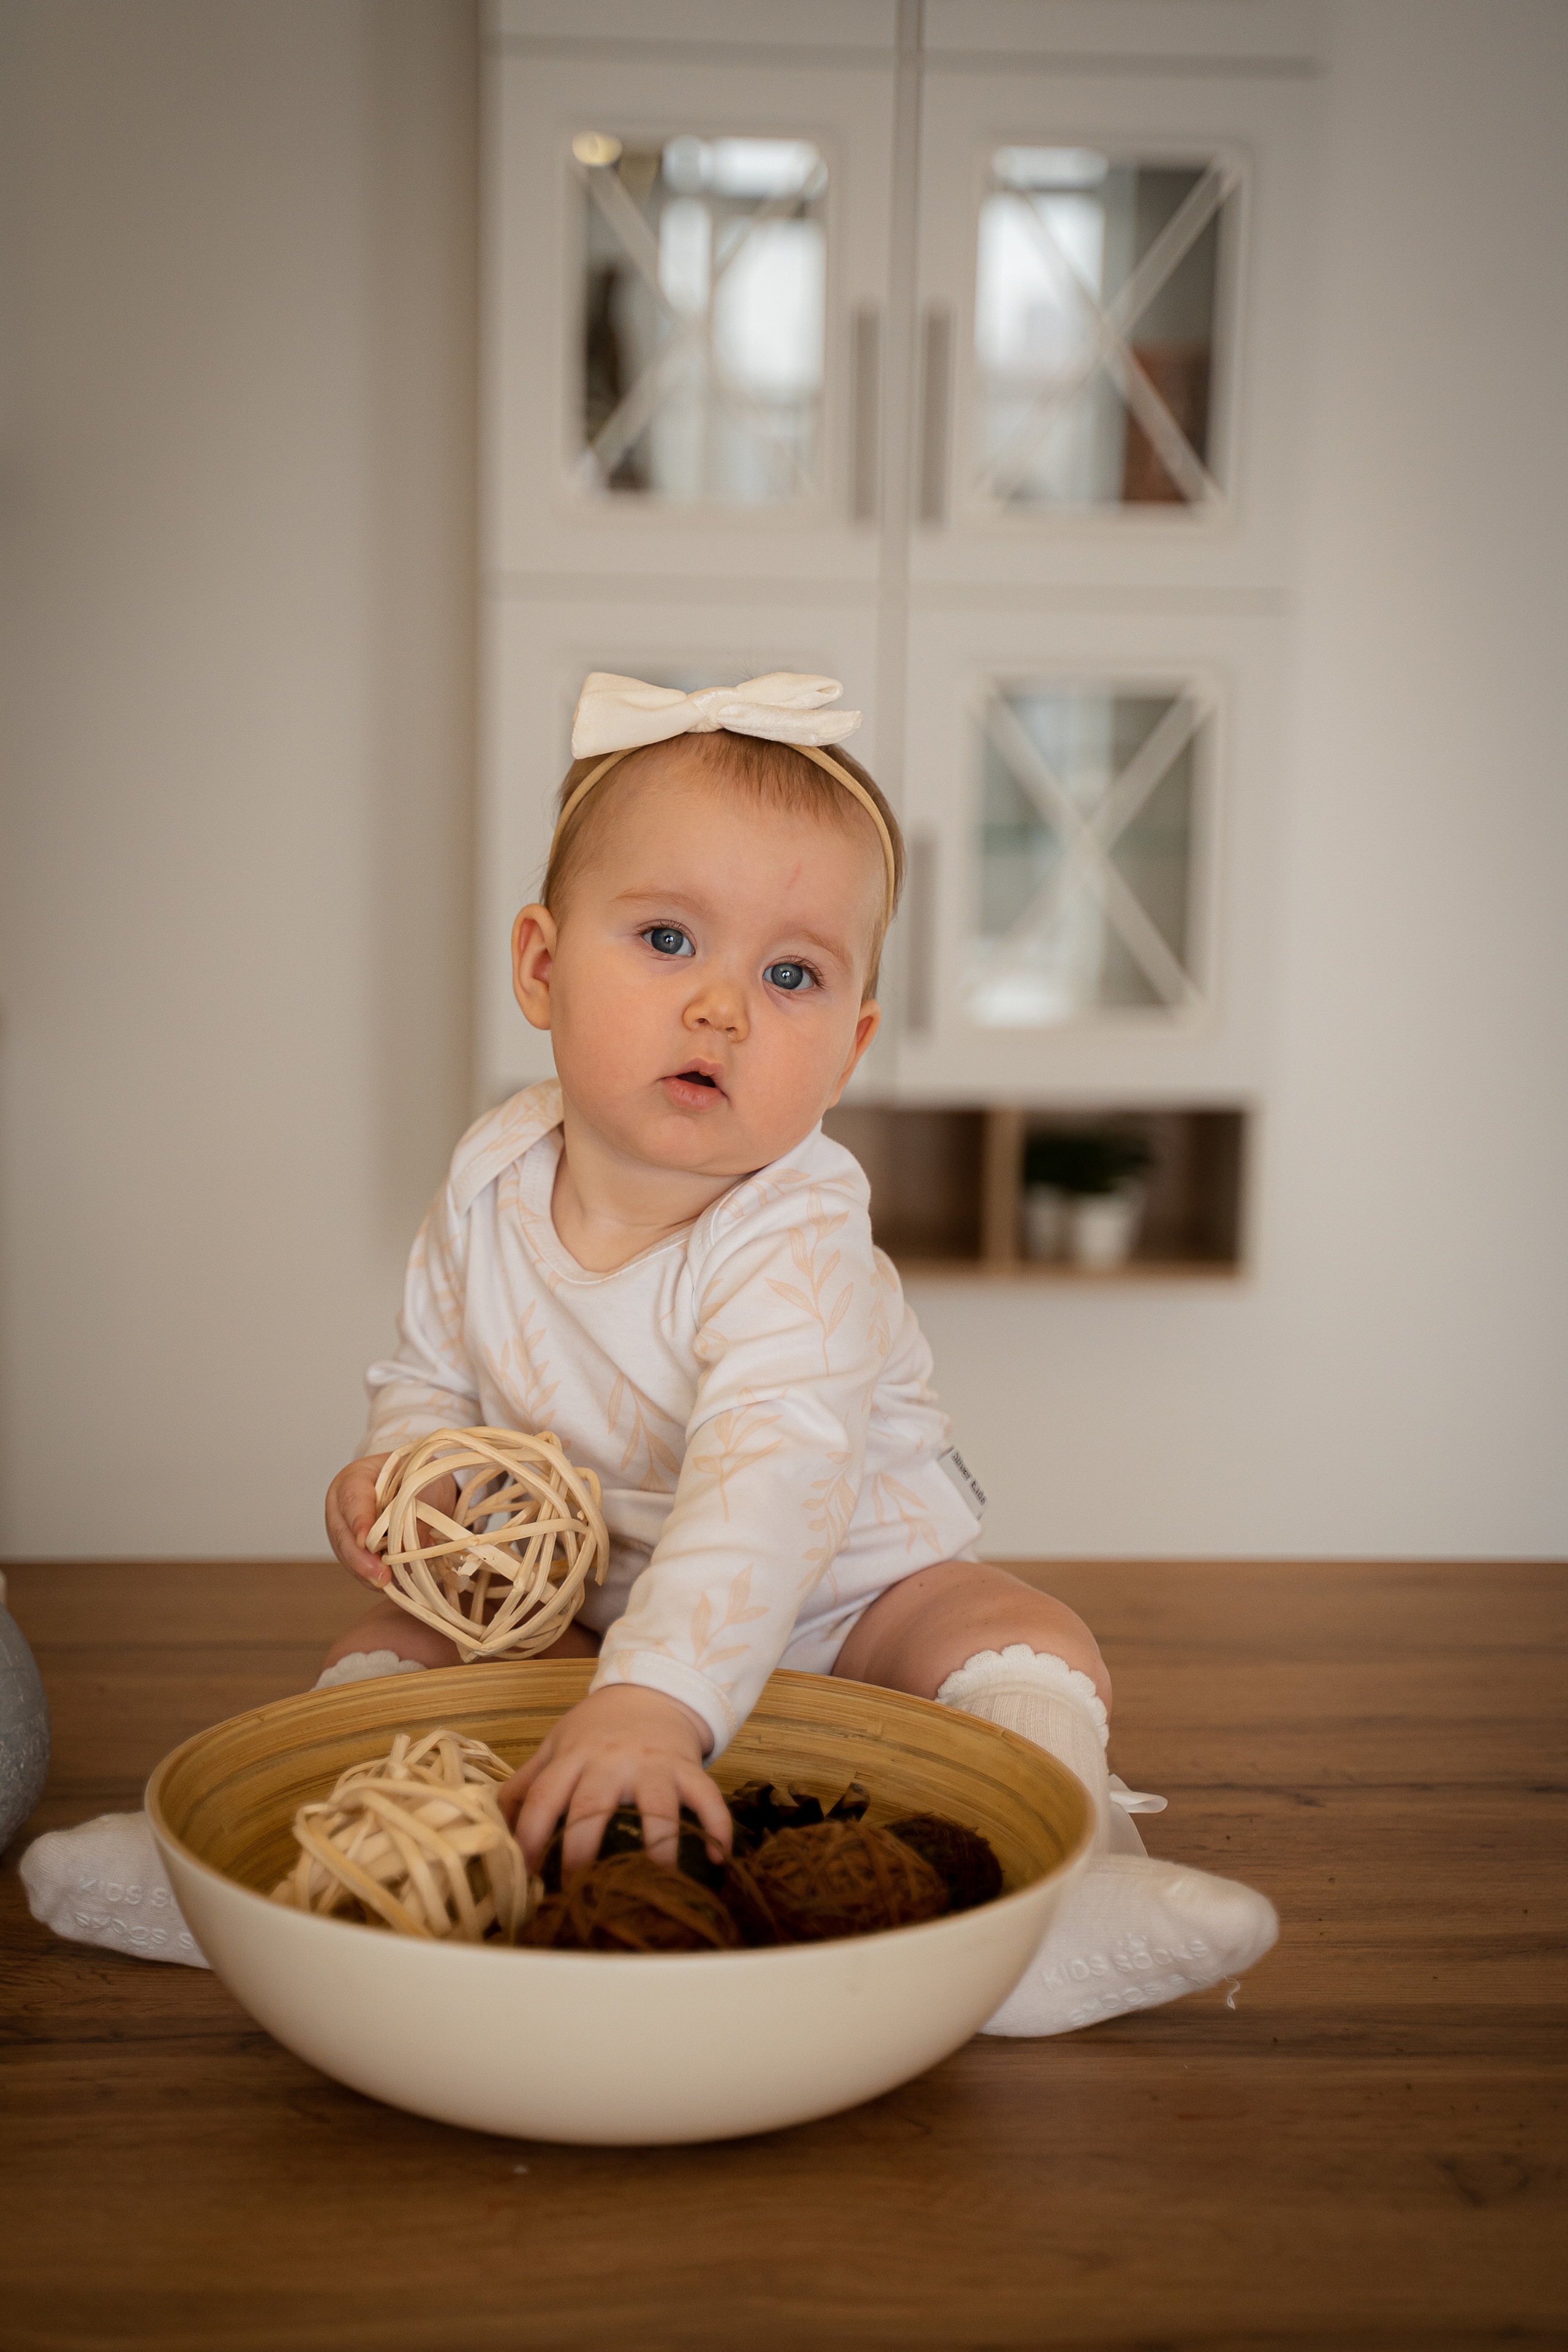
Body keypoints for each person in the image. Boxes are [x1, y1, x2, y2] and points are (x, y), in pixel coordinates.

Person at [315, 672, 1277, 2035]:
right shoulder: (488, 1176)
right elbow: (430, 1371)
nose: (722, 1009)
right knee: (394, 1636)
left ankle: (1061, 1895)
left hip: (845, 1596)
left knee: (1014, 1632)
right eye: (664, 939)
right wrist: (399, 1475)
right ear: (539, 964)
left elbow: (767, 1477)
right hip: (587, 1598)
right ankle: (320, 1862)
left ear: (848, 1049)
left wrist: (654, 1695)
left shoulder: (796, 1229)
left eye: (790, 975)